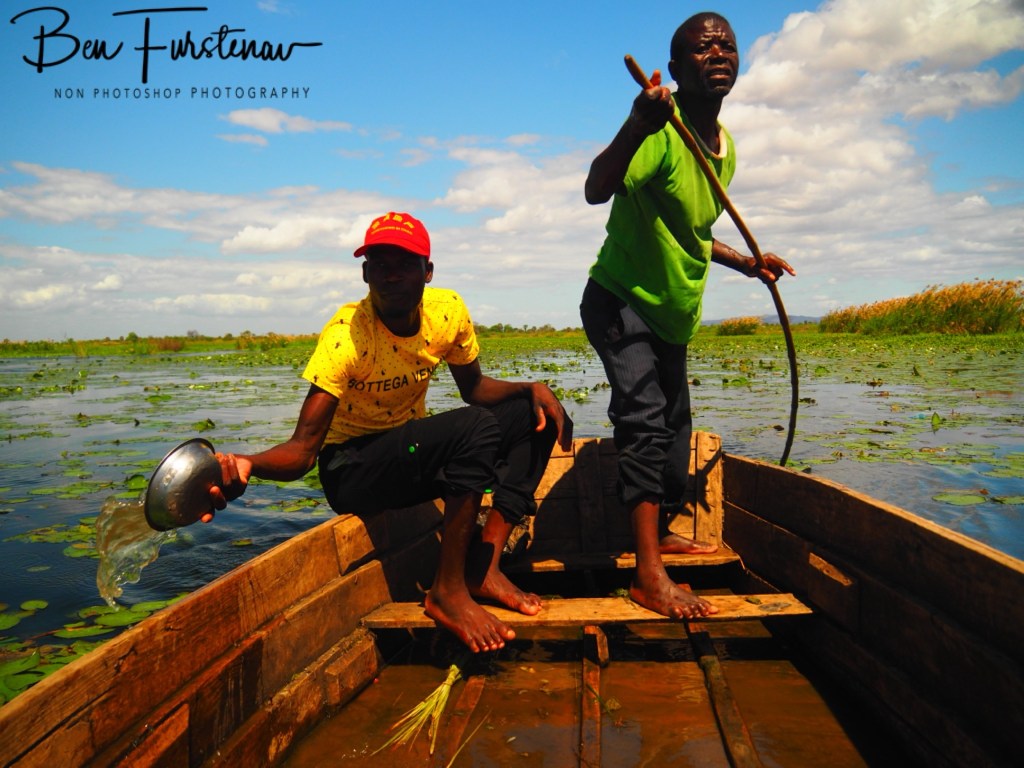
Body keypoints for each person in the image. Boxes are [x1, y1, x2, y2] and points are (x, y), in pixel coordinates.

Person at [207, 211, 572, 653]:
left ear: (428, 272)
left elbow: (474, 388)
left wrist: (531, 387)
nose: (391, 275)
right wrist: (247, 463)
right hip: (354, 468)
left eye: (405, 263)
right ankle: (447, 592)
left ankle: (483, 563)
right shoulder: (346, 338)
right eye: (380, 264)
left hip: (409, 450)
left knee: (531, 413)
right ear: (365, 273)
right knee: (472, 429)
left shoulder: (447, 312)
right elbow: (303, 451)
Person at [580, 13, 795, 620]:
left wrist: (749, 264)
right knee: (644, 419)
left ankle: (661, 532)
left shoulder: (725, 151)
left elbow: (693, 232)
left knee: (676, 430)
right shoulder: (661, 135)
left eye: (726, 45)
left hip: (674, 312)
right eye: (702, 48)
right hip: (620, 299)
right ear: (675, 70)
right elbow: (597, 187)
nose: (718, 53)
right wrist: (635, 124)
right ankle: (649, 575)